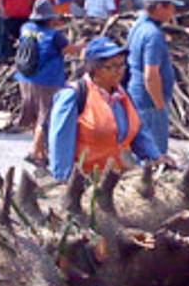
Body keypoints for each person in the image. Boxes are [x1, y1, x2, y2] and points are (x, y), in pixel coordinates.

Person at [48, 37, 161, 180]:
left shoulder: (123, 96)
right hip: (89, 180)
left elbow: (139, 133)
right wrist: (65, 182)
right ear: (93, 69)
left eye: (121, 65)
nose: (119, 71)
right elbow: (61, 144)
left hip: (122, 176)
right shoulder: (73, 96)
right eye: (111, 67)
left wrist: (156, 157)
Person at [16, 0, 79, 168]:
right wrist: (83, 46)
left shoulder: (25, 29)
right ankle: (35, 152)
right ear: (50, 19)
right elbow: (69, 50)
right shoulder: (55, 36)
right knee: (46, 116)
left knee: (35, 114)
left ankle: (41, 152)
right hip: (47, 80)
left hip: (25, 77)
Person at [127, 0, 181, 155]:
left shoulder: (138, 25)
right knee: (155, 153)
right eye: (171, 7)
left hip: (138, 96)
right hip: (149, 102)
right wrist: (159, 105)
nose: (174, 11)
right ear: (159, 7)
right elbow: (151, 75)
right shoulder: (153, 35)